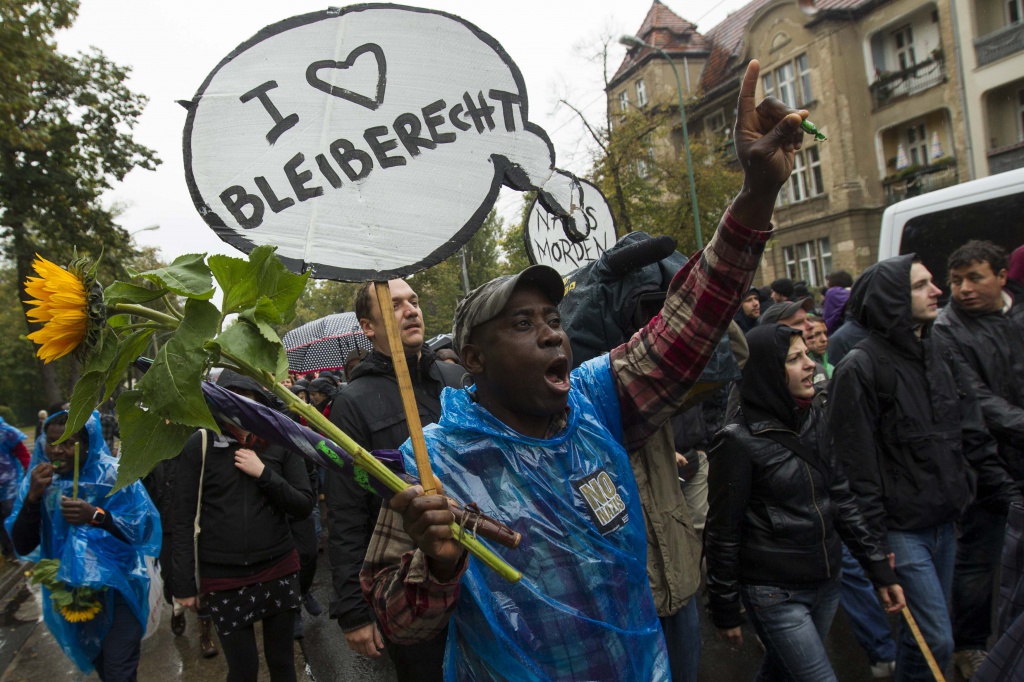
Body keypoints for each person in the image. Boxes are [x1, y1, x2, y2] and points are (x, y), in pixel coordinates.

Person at [358, 59, 801, 680]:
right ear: (474, 360)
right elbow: (400, 623)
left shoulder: (599, 402)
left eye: (553, 319)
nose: (550, 334)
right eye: (521, 324)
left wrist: (756, 193)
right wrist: (435, 565)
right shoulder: (435, 465)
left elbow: (693, 317)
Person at [830, 254, 1024, 681]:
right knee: (937, 637)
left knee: (923, 640)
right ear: (892, 299)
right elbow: (851, 471)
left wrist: (1009, 495)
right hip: (901, 529)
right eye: (920, 285)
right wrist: (876, 555)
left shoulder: (939, 350)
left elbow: (971, 433)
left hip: (945, 521)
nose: (938, 291)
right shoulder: (859, 368)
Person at [705, 324, 904, 681]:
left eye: (807, 355)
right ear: (769, 371)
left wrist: (877, 566)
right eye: (795, 358)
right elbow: (723, 530)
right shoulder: (736, 441)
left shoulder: (814, 417)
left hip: (826, 579)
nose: (811, 364)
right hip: (774, 592)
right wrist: (724, 606)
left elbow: (840, 496)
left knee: (781, 671)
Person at [325, 279, 464, 681]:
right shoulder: (352, 402)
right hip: (413, 586)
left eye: (414, 301)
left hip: (480, 578)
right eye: (395, 304)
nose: (411, 310)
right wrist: (354, 611)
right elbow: (346, 510)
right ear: (368, 326)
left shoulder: (456, 380)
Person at [172, 371, 314, 682]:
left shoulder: (280, 441)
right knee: (243, 670)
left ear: (259, 404)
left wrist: (264, 473)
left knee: (282, 663)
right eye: (229, 400)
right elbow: (181, 516)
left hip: (278, 569)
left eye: (246, 401)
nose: (239, 410)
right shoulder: (201, 443)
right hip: (224, 578)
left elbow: (303, 505)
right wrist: (182, 583)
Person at [7, 410, 160, 679]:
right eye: (53, 442)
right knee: (101, 663)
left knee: (118, 670)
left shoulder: (115, 475)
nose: (58, 451)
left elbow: (143, 530)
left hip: (119, 588)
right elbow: (23, 543)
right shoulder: (41, 483)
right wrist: (32, 499)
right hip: (69, 590)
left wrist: (97, 516)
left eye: (69, 442)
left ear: (89, 444)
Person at [931, 240, 1024, 679]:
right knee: (979, 560)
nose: (963, 289)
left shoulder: (1018, 314)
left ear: (1002, 276)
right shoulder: (946, 328)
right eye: (955, 281)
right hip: (984, 464)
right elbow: (975, 398)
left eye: (975, 278)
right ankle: (970, 646)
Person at [143, 455, 219, 658]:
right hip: (164, 526)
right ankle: (176, 609)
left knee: (202, 580)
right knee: (171, 576)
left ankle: (205, 634)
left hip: (195, 524)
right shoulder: (154, 450)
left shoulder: (193, 444)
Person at [0, 417, 30, 558]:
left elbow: (22, 453)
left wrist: (29, 470)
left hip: (8, 483)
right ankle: (7, 548)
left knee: (10, 512)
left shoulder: (5, 431)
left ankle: (17, 547)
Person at [805, 314, 833, 380]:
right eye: (817, 334)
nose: (824, 339)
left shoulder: (832, 369)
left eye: (825, 333)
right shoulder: (802, 372)